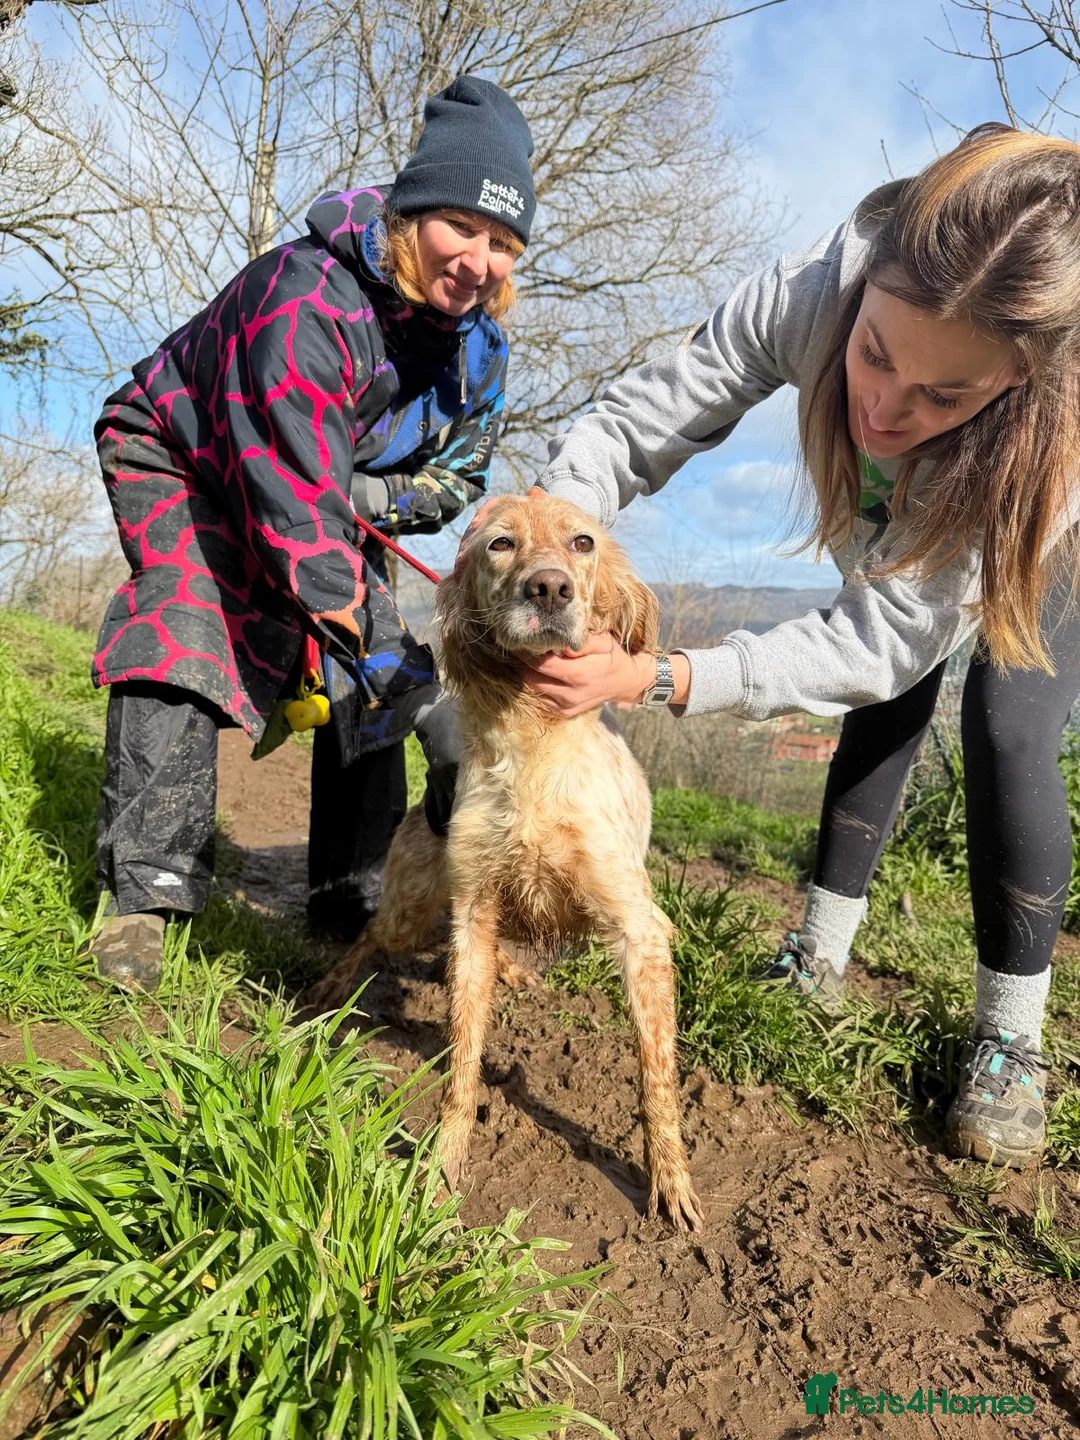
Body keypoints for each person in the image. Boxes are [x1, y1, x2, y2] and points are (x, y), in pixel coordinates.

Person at [525, 124, 1080, 1169]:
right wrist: (559, 527)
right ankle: (818, 955)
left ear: (1010, 383)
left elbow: (888, 643)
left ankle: (1010, 1035)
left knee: (1008, 723)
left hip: (1047, 533)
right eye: (875, 355)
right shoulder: (813, 291)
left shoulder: (1041, 439)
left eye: (941, 395)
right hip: (905, 535)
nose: (881, 406)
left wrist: (665, 674)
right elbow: (651, 414)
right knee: (882, 702)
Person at [90, 75, 535, 989]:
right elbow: (295, 522)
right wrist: (426, 700)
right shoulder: (305, 300)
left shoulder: (479, 347)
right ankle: (142, 896)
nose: (477, 260)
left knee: (354, 669)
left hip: (323, 491)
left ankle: (355, 892)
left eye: (502, 242)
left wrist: (369, 502)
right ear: (413, 214)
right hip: (187, 455)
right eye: (460, 226)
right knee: (189, 624)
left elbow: (462, 478)